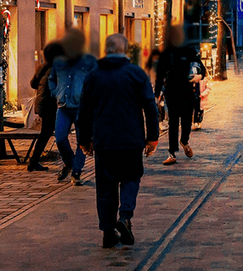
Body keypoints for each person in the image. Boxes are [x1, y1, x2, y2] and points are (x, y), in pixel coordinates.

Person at [78, 33, 159, 248]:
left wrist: (84, 139)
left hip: (104, 141)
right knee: (131, 178)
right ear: (125, 51)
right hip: (131, 139)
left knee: (106, 186)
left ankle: (107, 232)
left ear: (106, 51)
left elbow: (84, 111)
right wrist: (152, 138)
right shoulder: (136, 74)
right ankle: (125, 217)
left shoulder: (94, 75)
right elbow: (151, 107)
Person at [48, 28, 98, 185]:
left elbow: (96, 80)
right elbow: (51, 80)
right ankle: (69, 163)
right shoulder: (59, 61)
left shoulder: (89, 61)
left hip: (81, 107)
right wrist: (56, 92)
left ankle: (76, 171)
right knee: (60, 138)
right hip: (63, 107)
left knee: (81, 141)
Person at [155, 25, 204, 165]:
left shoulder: (189, 51)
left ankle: (184, 141)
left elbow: (202, 68)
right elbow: (160, 75)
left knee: (187, 120)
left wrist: (199, 76)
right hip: (172, 92)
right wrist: (157, 94)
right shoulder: (167, 53)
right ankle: (171, 153)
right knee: (173, 122)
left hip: (187, 92)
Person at [27, 41, 64, 172]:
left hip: (42, 103)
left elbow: (33, 84)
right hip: (49, 104)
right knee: (52, 133)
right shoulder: (56, 68)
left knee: (47, 132)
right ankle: (34, 160)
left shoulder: (42, 67)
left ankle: (34, 160)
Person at [193, 64, 211, 130]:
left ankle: (199, 122)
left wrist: (202, 94)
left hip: (201, 98)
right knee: (195, 110)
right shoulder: (194, 79)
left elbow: (208, 88)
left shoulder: (205, 80)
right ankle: (195, 122)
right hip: (195, 97)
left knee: (200, 111)